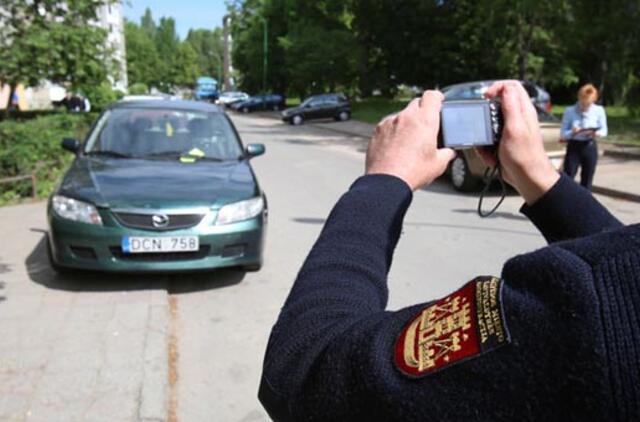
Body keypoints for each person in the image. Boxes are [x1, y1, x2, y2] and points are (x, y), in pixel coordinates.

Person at [258, 81, 638, 421]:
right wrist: (535, 173)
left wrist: (384, 179)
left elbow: (303, 369)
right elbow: (622, 279)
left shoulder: (586, 323)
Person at [560, 83, 608, 190]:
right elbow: (563, 134)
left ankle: (584, 202)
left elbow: (604, 130)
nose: (585, 106)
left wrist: (596, 133)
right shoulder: (570, 111)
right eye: (583, 103)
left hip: (589, 145)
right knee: (568, 176)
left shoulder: (599, 110)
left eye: (588, 104)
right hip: (574, 145)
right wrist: (572, 132)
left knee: (587, 178)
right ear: (579, 98)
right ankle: (567, 200)